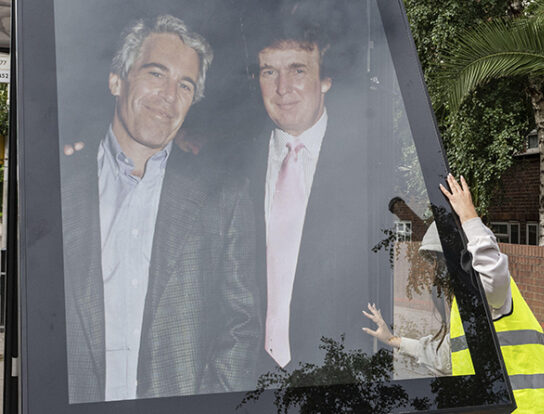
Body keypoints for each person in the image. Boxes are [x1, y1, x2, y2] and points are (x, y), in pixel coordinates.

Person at [61, 15, 260, 403]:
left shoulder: (224, 196)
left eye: (185, 85)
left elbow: (242, 326)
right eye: (156, 74)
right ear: (117, 80)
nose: (169, 95)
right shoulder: (59, 183)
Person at [246, 15, 387, 378]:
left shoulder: (371, 163)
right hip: (245, 377)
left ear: (326, 78)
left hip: (333, 379)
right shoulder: (233, 166)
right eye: (269, 72)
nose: (282, 88)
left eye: (297, 70)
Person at [363, 174, 544, 412]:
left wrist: (470, 218)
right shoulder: (462, 309)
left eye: (438, 260)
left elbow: (493, 272)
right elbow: (444, 358)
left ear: (456, 259)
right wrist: (393, 340)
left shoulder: (490, 297)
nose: (435, 269)